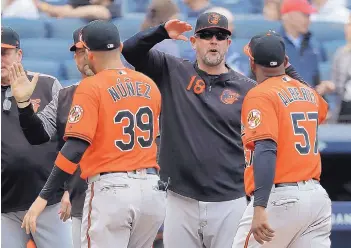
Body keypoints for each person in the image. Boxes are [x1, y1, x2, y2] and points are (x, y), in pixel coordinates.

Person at [122, 12, 308, 248]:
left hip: (230, 200)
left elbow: (301, 106)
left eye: (220, 36)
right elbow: (129, 50)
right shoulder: (172, 70)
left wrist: (288, 68)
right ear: (193, 41)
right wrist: (161, 32)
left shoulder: (249, 89)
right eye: (206, 35)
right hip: (180, 199)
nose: (213, 40)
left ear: (228, 43)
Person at [16, 20, 165, 248]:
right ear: (119, 47)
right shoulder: (148, 84)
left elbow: (75, 147)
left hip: (112, 189)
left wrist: (43, 197)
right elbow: (158, 141)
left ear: (88, 53)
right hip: (151, 190)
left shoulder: (91, 86)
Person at [232, 31, 331, 248]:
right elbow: (325, 109)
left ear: (252, 62)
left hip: (280, 198)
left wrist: (260, 206)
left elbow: (266, 149)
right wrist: (290, 72)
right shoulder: (307, 92)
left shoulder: (261, 94)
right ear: (285, 61)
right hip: (315, 199)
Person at [12, 27, 94, 248]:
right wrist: (24, 106)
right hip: (75, 200)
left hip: (112, 194)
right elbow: (40, 135)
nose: (84, 56)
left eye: (88, 49)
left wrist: (57, 192)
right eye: (78, 51)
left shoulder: (127, 87)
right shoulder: (67, 95)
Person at [1, 26, 72, 248]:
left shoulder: (46, 84)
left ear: (19, 55)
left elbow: (70, 138)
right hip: (4, 207)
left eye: (4, 52)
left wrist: (71, 188)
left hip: (50, 202)